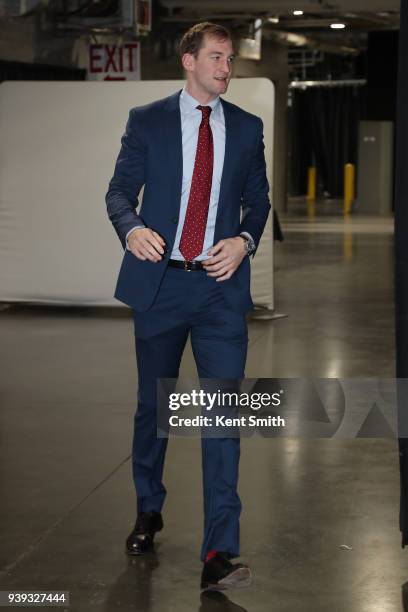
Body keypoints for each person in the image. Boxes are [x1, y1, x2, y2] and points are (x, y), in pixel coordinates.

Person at [106, 21, 271, 590]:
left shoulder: (248, 129)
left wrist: (244, 240)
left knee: (223, 415)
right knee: (156, 409)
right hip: (159, 285)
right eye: (218, 57)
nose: (227, 67)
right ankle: (148, 508)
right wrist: (130, 229)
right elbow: (119, 193)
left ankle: (219, 553)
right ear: (189, 61)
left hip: (220, 289)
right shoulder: (147, 121)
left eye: (230, 58)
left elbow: (259, 201)